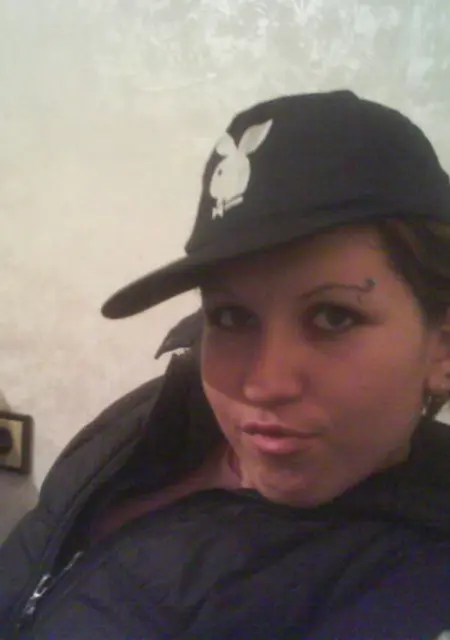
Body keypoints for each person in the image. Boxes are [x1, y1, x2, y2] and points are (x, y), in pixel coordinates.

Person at [1, 90, 450, 640]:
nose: (262, 383)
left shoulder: (411, 579)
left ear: (442, 347)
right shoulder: (163, 409)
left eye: (333, 317)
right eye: (231, 316)